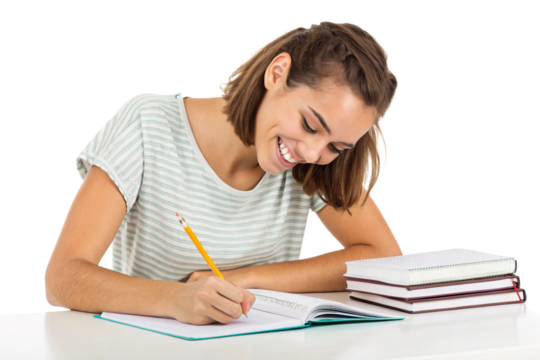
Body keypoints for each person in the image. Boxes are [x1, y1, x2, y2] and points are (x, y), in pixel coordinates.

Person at [44, 20, 401, 326]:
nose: (310, 152)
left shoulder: (311, 167)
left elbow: (384, 258)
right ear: (277, 73)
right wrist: (175, 299)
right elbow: (63, 277)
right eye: (309, 124)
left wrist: (245, 278)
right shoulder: (147, 124)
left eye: (335, 147)